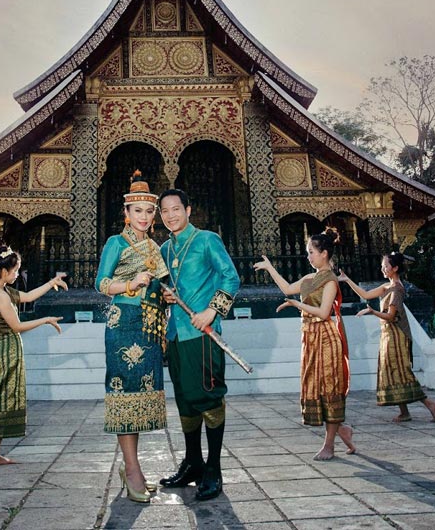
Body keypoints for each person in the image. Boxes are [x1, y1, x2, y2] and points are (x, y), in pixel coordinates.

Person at [158, 189, 240, 501]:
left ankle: (213, 469)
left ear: (188, 210)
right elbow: (167, 286)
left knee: (208, 398)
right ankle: (193, 462)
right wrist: (165, 295)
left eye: (175, 209)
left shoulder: (207, 240)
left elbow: (230, 279)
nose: (170, 215)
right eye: (164, 211)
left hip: (203, 335)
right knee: (186, 401)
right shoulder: (165, 249)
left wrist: (211, 310)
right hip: (176, 335)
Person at [96, 170, 171, 503]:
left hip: (149, 324)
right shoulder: (116, 243)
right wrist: (130, 283)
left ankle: (133, 468)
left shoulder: (155, 248)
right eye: (137, 211)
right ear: (126, 214)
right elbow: (101, 284)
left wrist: (163, 294)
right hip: (122, 323)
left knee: (139, 402)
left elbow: (162, 284)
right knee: (124, 396)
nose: (144, 217)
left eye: (149, 211)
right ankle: (132, 470)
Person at [0, 247, 67, 471]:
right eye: (15, 270)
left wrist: (50, 283)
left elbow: (26, 297)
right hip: (2, 352)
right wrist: (45, 319)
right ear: (4, 270)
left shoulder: (1, 289)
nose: (18, 274)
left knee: (5, 402)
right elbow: (17, 326)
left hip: (6, 350)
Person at [254, 228, 355, 460]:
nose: (308, 256)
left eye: (311, 252)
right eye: (308, 252)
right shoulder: (310, 278)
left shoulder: (330, 281)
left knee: (329, 387)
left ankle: (329, 445)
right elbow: (288, 289)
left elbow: (322, 312)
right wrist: (270, 268)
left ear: (324, 254)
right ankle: (341, 429)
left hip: (326, 337)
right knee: (316, 385)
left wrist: (296, 305)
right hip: (310, 337)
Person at [340, 252, 435, 423]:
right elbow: (365, 295)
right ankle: (404, 412)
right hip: (388, 335)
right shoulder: (387, 287)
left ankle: (430, 404)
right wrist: (347, 279)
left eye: (386, 266)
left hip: (396, 335)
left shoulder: (397, 290)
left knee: (401, 372)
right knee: (392, 371)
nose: (383, 269)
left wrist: (372, 311)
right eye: (382, 266)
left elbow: (390, 316)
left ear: (395, 268)